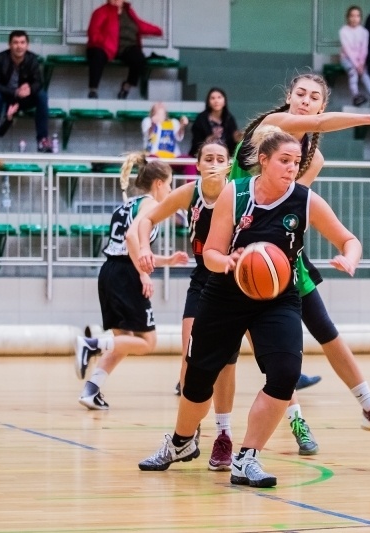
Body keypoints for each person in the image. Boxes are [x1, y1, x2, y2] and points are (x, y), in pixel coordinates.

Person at [137, 126, 362, 489]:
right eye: (284, 161)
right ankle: (180, 442)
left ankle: (247, 457)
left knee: (285, 373)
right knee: (197, 379)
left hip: (277, 297)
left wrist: (349, 258)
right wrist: (227, 261)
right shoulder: (236, 193)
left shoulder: (305, 201)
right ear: (264, 160)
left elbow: (348, 239)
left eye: (296, 162)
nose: (291, 168)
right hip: (225, 292)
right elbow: (211, 251)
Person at [232, 74, 370, 445]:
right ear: (289, 96)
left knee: (324, 327)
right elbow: (320, 125)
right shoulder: (272, 125)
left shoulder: (314, 158)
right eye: (300, 94)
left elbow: (292, 204)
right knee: (266, 345)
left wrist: (341, 252)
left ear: (321, 105)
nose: (306, 101)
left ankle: (369, 403)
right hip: (236, 245)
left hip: (277, 248)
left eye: (314, 97)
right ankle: (295, 420)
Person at [126, 139, 243, 470]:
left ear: (229, 164)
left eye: (220, 158)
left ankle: (224, 435)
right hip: (204, 280)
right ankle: (187, 436)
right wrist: (145, 249)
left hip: (236, 281)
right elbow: (145, 221)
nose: (215, 163)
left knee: (227, 364)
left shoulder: (239, 193)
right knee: (190, 361)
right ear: (198, 164)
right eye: (209, 158)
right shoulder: (190, 193)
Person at [74, 154, 188, 410]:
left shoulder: (127, 205)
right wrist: (143, 273)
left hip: (110, 271)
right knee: (148, 342)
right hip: (126, 275)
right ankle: (91, 344)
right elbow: (131, 238)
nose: (170, 190)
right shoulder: (150, 204)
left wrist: (167, 261)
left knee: (123, 342)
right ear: (158, 183)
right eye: (169, 184)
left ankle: (91, 390)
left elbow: (127, 248)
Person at [0, 30, 51, 153]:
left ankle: (42, 140)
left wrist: (29, 89)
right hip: (4, 97)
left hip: (24, 99)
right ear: (9, 45)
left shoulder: (32, 59)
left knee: (42, 96)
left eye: (22, 42)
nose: (19, 46)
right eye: (15, 42)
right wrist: (15, 92)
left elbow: (38, 82)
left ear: (27, 45)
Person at [86, 0, 163, 99]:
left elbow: (139, 25)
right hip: (105, 47)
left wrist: (158, 30)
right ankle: (93, 90)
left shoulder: (129, 12)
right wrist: (104, 42)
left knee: (139, 59)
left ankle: (126, 87)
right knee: (97, 55)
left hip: (126, 47)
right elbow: (93, 32)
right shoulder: (101, 12)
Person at [340, 5, 370, 107]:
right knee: (353, 72)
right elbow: (347, 49)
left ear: (360, 18)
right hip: (347, 58)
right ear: (348, 17)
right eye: (352, 16)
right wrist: (356, 65)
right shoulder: (344, 31)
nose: (354, 18)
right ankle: (355, 95)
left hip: (360, 60)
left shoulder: (364, 32)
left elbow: (364, 48)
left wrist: (361, 62)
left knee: (364, 73)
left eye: (357, 16)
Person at [188, 88, 240, 161]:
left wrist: (236, 140)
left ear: (224, 101)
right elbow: (196, 143)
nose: (216, 101)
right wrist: (210, 139)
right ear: (208, 102)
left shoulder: (229, 118)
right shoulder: (201, 119)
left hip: (224, 158)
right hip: (204, 157)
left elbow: (232, 145)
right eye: (212, 98)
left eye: (219, 97)